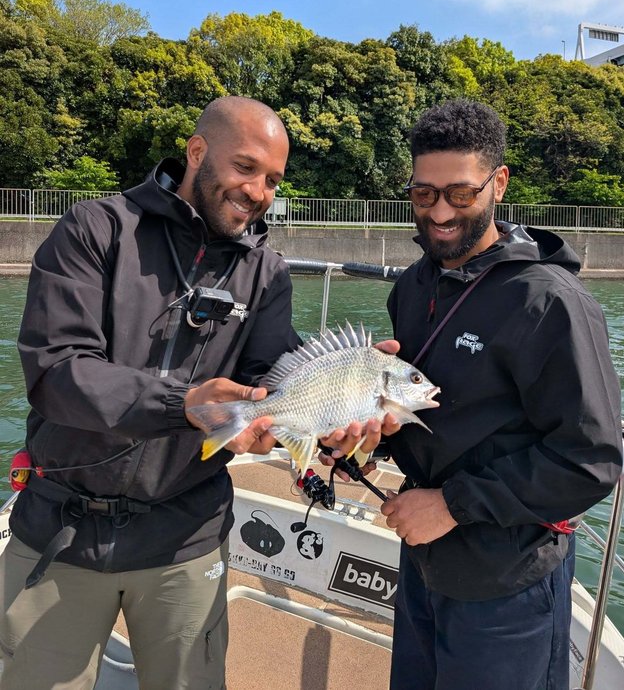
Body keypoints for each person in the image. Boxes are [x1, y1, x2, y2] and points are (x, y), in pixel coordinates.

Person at [0, 96, 387, 690]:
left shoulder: (267, 273)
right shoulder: (95, 228)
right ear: (197, 152)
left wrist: (342, 403)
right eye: (246, 168)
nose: (259, 191)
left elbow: (272, 378)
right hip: (60, 530)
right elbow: (56, 373)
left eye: (273, 181)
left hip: (187, 539)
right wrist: (182, 403)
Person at [378, 98, 623, 690]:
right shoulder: (413, 286)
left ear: (499, 183)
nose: (440, 213)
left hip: (508, 583)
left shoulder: (551, 302)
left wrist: (451, 506)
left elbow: (591, 459)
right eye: (423, 194)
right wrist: (370, 437)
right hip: (423, 563)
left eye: (460, 194)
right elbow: (424, 415)